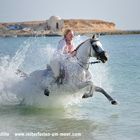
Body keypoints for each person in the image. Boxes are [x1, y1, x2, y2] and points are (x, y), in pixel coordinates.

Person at [44, 29, 76, 96]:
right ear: (66, 35)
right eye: (70, 35)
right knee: (58, 74)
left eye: (73, 35)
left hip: (65, 61)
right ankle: (47, 88)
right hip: (56, 60)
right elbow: (59, 54)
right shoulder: (63, 42)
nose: (72, 36)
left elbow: (73, 54)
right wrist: (69, 55)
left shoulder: (72, 42)